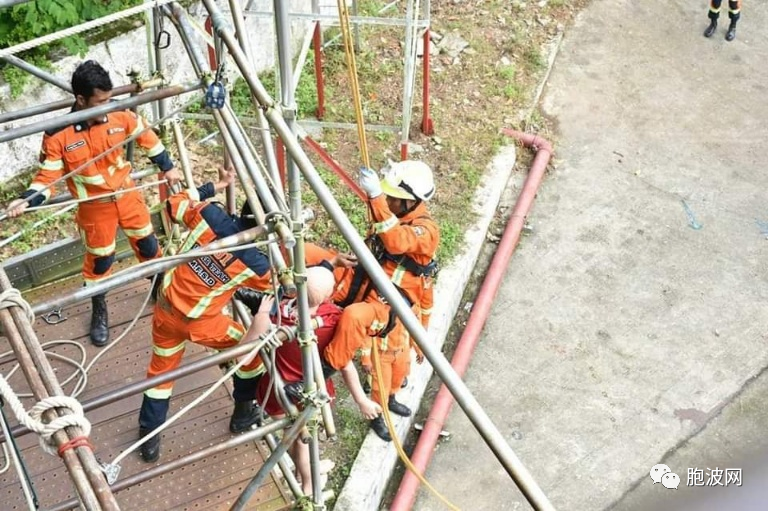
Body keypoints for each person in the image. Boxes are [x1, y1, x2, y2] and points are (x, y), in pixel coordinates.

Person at [4, 60, 182, 347]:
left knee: (148, 246)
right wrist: (27, 200)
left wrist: (168, 167)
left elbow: (149, 139)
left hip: (128, 196)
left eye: (108, 100)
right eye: (99, 102)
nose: (105, 109)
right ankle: (99, 308)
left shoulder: (119, 113)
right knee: (101, 261)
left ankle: (160, 290)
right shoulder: (57, 134)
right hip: (94, 208)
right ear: (81, 99)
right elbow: (48, 177)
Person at [137, 168, 273, 463]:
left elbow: (175, 204)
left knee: (161, 373)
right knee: (252, 354)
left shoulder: (208, 215)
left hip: (164, 309)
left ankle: (148, 438)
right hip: (203, 325)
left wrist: (215, 185)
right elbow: (286, 281)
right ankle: (242, 412)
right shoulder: (257, 265)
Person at [322, 160, 440, 441]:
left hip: (393, 307)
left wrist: (420, 338)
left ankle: (386, 397)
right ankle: (324, 365)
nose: (387, 200)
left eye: (392, 198)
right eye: (385, 196)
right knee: (322, 270)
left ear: (410, 202)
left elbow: (398, 243)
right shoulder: (392, 217)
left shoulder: (425, 232)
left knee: (397, 369)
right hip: (371, 291)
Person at [249, 266, 381, 495]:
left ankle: (304, 470)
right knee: (303, 440)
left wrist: (261, 315)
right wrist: (362, 400)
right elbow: (345, 365)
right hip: (306, 394)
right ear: (330, 295)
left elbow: (253, 344)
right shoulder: (333, 322)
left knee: (292, 435)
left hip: (275, 390)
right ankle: (309, 485)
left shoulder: (280, 312)